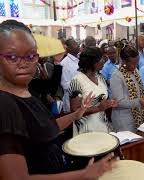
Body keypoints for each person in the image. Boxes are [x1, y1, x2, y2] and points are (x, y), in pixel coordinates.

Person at [0, 20, 116, 179]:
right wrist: (83, 174)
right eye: (12, 57)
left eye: (31, 56)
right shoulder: (4, 104)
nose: (24, 64)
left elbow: (47, 127)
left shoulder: (25, 92)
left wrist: (76, 115)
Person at [110, 45, 144, 131]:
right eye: (133, 63)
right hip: (124, 121)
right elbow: (119, 102)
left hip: (139, 116)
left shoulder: (135, 71)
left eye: (137, 62)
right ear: (123, 61)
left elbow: (140, 91)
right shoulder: (116, 76)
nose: (135, 66)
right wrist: (139, 101)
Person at [69, 47, 118, 136]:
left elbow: (102, 101)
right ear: (92, 62)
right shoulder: (77, 80)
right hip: (85, 129)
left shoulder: (100, 77)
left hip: (102, 126)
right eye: (101, 58)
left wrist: (109, 103)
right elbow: (74, 110)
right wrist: (98, 108)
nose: (104, 61)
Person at [60, 38, 80, 113]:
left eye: (77, 43)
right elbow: (65, 85)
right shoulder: (64, 63)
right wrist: (81, 83)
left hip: (81, 98)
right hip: (71, 100)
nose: (77, 45)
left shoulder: (79, 59)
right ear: (68, 48)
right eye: (74, 44)